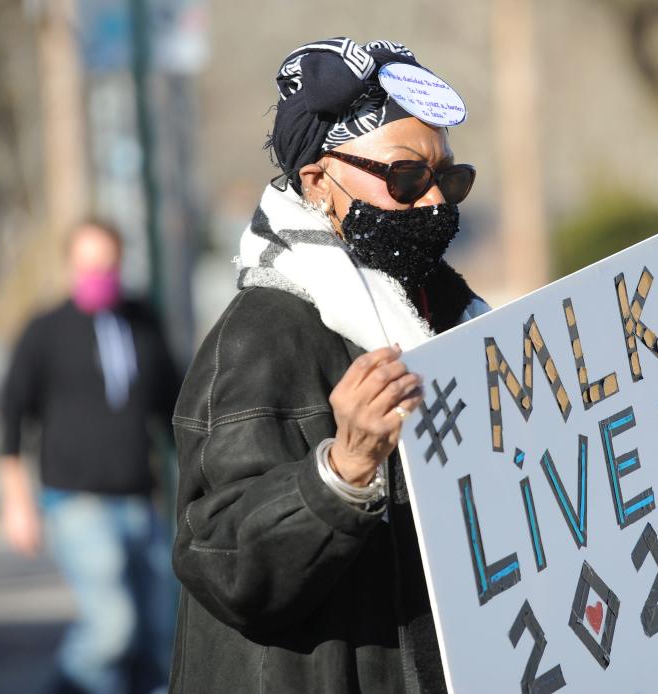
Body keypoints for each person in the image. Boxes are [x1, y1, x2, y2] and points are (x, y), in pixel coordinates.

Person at [169, 38, 490, 694]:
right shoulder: (263, 333)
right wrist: (342, 473)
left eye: (449, 179)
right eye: (405, 178)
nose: (434, 202)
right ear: (318, 182)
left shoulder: (453, 319)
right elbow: (221, 560)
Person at [0, 220, 181, 694]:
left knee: (155, 636)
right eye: (88, 265)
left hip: (139, 501)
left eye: (107, 264)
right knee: (111, 628)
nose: (98, 274)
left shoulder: (143, 322)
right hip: (76, 500)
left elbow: (173, 406)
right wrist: (16, 500)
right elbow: (12, 414)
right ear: (70, 267)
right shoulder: (45, 331)